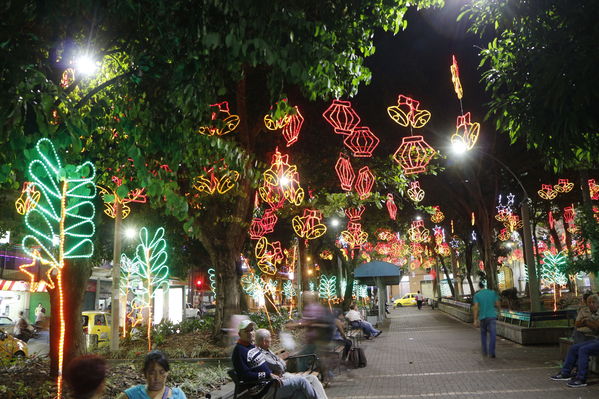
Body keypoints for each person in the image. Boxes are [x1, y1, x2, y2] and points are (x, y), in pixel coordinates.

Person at [232, 320, 317, 399]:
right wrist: (268, 375)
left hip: (271, 383)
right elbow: (245, 375)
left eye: (251, 330)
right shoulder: (239, 351)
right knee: (302, 381)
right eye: (246, 331)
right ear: (239, 334)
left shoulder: (251, 346)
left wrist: (273, 375)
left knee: (300, 395)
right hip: (263, 391)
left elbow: (262, 365)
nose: (250, 333)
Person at [255, 328, 327, 399]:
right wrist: (279, 362)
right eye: (270, 337)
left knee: (313, 378)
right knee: (302, 387)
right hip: (278, 381)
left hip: (283, 376)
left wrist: (279, 362)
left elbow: (281, 365)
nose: (271, 339)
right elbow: (279, 366)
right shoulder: (260, 354)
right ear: (264, 341)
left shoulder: (267, 350)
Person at [550, 294, 599, 388]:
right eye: (589, 302)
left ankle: (581, 378)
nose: (591, 304)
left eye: (594, 302)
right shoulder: (585, 311)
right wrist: (587, 322)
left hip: (593, 337)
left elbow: (596, 327)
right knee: (574, 348)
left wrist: (586, 322)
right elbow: (577, 324)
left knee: (583, 349)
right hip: (592, 338)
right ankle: (565, 372)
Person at [117, 350, 187, 398]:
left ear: (167, 373)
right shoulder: (132, 395)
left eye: (161, 372)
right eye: (152, 373)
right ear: (145, 373)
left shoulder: (178, 395)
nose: (157, 378)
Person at [472, 281, 500, 358]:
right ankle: (492, 352)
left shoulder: (477, 295)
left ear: (479, 287)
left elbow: (476, 308)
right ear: (485, 286)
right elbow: (497, 304)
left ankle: (484, 351)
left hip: (482, 317)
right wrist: (499, 312)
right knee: (493, 334)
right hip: (492, 316)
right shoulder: (493, 293)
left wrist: (475, 319)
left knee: (483, 335)